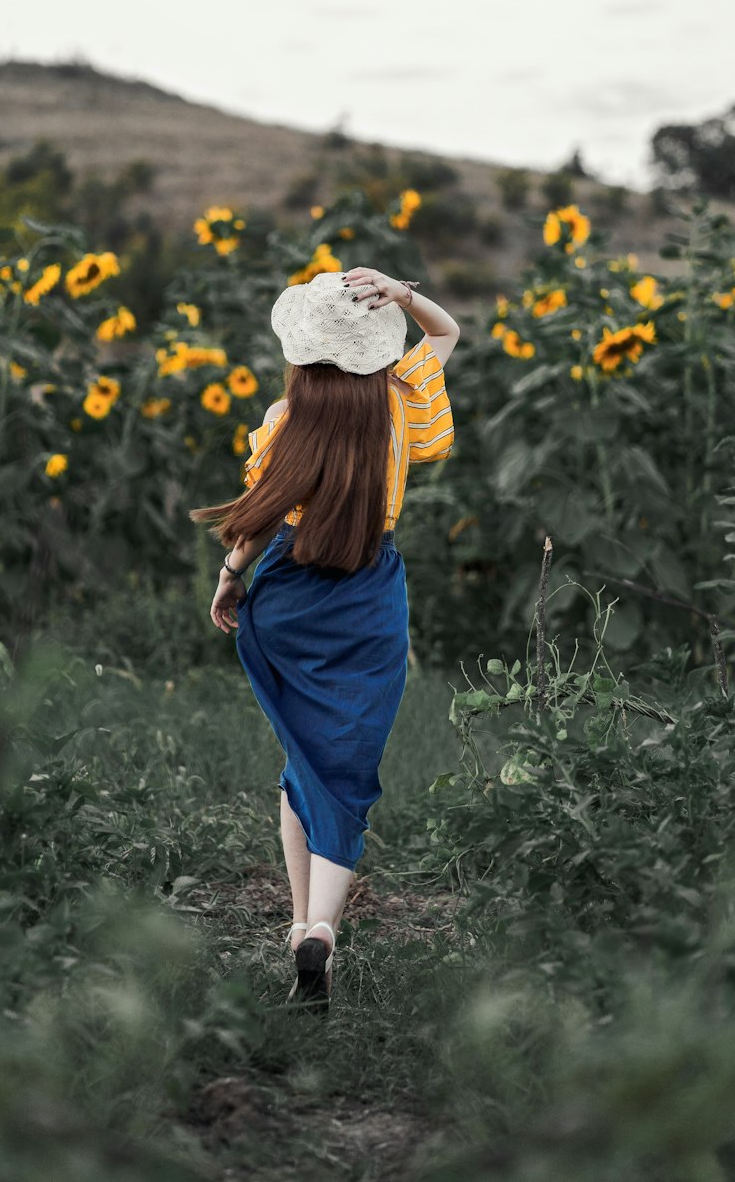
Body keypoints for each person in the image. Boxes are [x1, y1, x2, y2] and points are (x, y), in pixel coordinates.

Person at [189, 264, 459, 1013]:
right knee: (344, 767)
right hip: (369, 597)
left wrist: (230, 576)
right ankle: (322, 929)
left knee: (301, 760)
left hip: (288, 598)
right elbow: (448, 331)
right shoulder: (403, 405)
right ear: (378, 347)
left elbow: (258, 515)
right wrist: (403, 295)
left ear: (302, 351)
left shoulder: (286, 422)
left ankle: (303, 922)